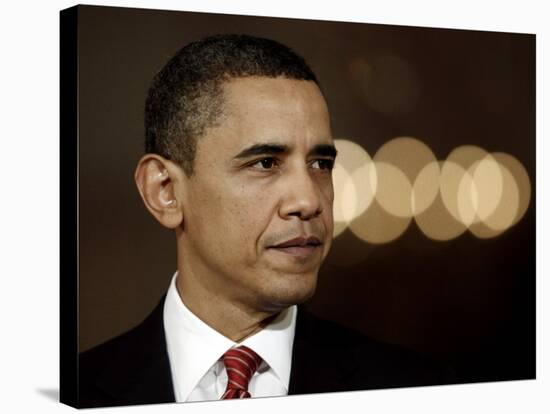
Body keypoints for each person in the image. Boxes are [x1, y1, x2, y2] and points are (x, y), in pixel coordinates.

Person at [78, 34, 454, 408]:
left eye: (320, 164)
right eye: (266, 163)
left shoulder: (417, 390)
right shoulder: (74, 391)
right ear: (165, 191)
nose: (308, 201)